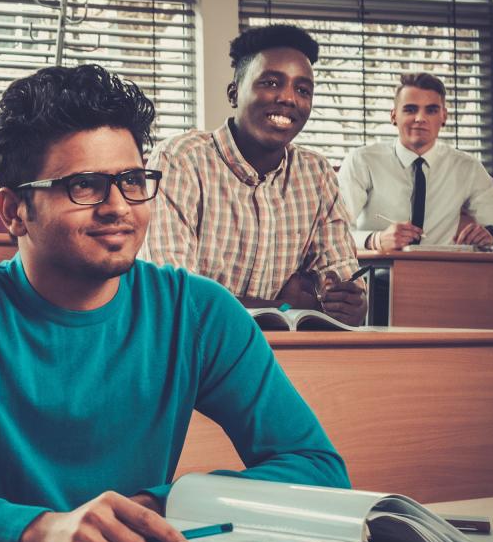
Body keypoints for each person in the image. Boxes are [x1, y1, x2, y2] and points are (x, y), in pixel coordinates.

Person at [0, 64, 349, 542]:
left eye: (132, 180)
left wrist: (154, 505)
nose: (118, 206)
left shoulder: (199, 311)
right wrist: (46, 530)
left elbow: (316, 467)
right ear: (14, 211)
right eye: (85, 185)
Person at [141, 24, 366, 325]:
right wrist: (284, 306)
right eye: (271, 83)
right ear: (234, 94)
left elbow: (342, 281)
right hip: (194, 354)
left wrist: (350, 302)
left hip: (287, 356)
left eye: (302, 90)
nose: (288, 98)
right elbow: (174, 296)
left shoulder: (317, 175)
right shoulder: (180, 160)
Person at [337, 72, 493, 250]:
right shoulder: (362, 161)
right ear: (394, 116)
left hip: (443, 276)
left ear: (444, 116)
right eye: (410, 109)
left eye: (431, 110)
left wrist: (492, 234)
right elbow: (332, 233)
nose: (420, 118)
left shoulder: (467, 168)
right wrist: (375, 240)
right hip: (376, 276)